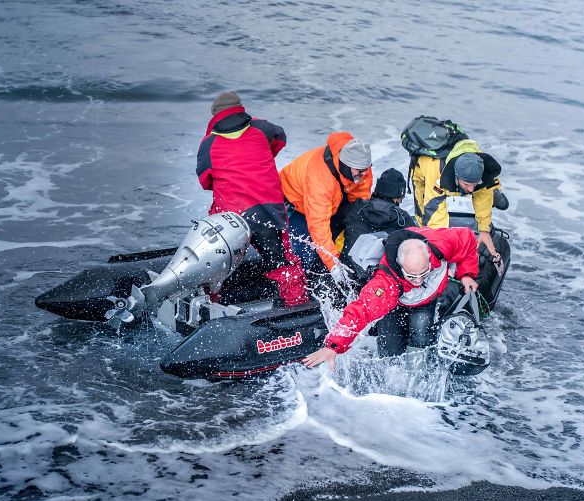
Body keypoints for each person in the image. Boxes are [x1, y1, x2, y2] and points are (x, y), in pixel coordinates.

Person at [302, 226, 479, 369]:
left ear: (429, 257)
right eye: (412, 276)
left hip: (426, 299)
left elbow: (469, 238)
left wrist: (467, 273)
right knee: (389, 347)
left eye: (423, 274)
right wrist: (333, 346)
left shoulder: (442, 243)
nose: (418, 281)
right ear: (401, 266)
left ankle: (416, 377)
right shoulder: (385, 282)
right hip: (396, 298)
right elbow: (361, 310)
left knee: (421, 332)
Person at [196, 91, 308, 307]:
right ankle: (296, 305)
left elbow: (205, 181)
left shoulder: (208, 144)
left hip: (230, 216)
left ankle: (210, 304)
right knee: (281, 261)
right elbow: (281, 138)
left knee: (219, 262)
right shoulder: (262, 127)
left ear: (214, 115)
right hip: (267, 211)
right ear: (240, 108)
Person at [278, 132, 373, 285]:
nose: (363, 175)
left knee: (348, 230)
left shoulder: (360, 165)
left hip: (335, 198)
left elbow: (360, 200)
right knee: (303, 250)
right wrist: (333, 264)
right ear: (345, 165)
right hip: (297, 203)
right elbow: (318, 224)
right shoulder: (319, 181)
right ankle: (300, 288)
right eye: (358, 171)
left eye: (365, 170)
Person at [411, 138, 505, 261]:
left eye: (474, 184)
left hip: (464, 170)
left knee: (484, 192)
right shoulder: (436, 172)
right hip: (424, 176)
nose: (471, 190)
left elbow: (481, 199)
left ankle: (494, 189)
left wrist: (484, 230)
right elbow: (435, 213)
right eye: (466, 184)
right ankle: (422, 243)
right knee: (424, 215)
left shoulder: (478, 168)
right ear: (456, 176)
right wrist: (440, 251)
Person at [340, 168, 416, 283]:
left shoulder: (355, 208)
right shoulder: (403, 218)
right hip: (379, 282)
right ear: (398, 197)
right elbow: (417, 247)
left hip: (347, 274)